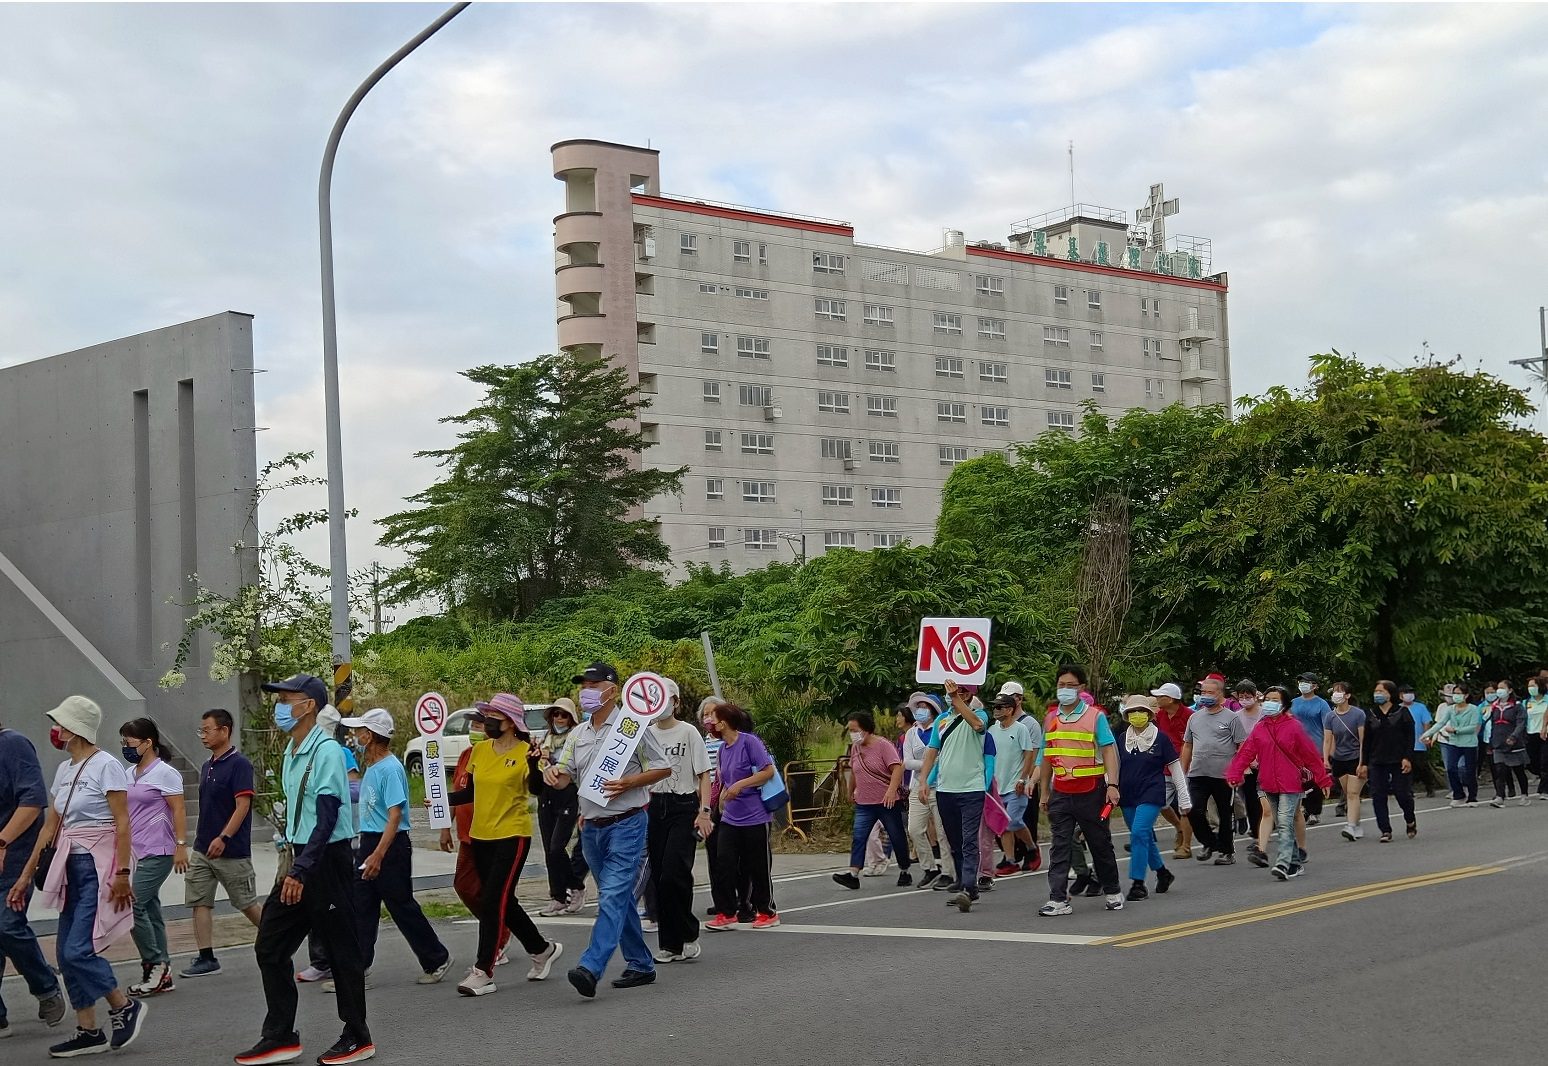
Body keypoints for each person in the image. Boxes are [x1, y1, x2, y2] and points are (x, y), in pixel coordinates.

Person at [236, 675, 371, 1066]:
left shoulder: (325, 751)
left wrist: (301, 871)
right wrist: (291, 860)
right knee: (270, 944)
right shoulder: (292, 751)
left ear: (308, 705)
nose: (279, 706)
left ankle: (358, 1036)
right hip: (301, 858)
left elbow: (327, 817)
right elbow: (300, 815)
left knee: (341, 949)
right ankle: (280, 1035)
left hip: (325, 860)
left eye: (286, 699)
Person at [9, 696, 146, 1056]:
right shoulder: (65, 769)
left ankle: (122, 1005)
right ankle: (88, 1029)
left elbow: (122, 823)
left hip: (98, 866)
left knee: (76, 950)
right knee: (66, 951)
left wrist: (122, 872)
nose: (56, 729)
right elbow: (49, 828)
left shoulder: (107, 766)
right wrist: (25, 876)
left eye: (62, 723)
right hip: (69, 864)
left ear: (76, 728)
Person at [548, 663, 673, 998]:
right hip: (591, 828)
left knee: (614, 896)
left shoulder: (632, 727)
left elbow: (663, 767)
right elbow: (564, 774)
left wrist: (630, 782)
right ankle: (641, 963)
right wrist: (551, 773)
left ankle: (591, 965)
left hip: (627, 823)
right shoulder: (578, 734)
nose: (585, 690)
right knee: (617, 900)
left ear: (613, 690)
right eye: (583, 685)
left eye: (593, 684)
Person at [449, 693, 562, 997]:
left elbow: (537, 790)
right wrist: (441, 800)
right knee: (504, 901)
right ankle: (541, 948)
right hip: (481, 835)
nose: (486, 722)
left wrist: (536, 765)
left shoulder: (527, 752)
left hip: (512, 836)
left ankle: (483, 971)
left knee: (491, 901)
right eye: (486, 716)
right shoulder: (480, 751)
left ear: (511, 723)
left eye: (493, 717)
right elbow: (469, 793)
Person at [340, 708, 453, 989]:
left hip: (390, 845)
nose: (355, 735)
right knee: (362, 905)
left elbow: (394, 815)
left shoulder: (390, 768)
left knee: (400, 906)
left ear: (371, 735)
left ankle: (436, 957)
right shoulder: (371, 764)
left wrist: (378, 854)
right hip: (369, 841)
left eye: (360, 731)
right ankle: (359, 967)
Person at [178, 709, 262, 980]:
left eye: (207, 730)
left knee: (245, 903)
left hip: (231, 850)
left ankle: (276, 938)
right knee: (200, 900)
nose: (203, 735)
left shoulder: (239, 765)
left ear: (224, 731)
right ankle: (206, 956)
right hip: (203, 848)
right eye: (200, 730)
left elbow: (243, 805)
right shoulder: (207, 765)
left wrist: (224, 837)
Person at [0, 707, 67, 1038]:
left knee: (7, 923)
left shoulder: (13, 745)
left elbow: (33, 801)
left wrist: (1, 842)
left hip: (14, 856)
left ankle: (45, 986)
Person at [1036, 666, 1124, 916]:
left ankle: (1113, 891)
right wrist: (1044, 792)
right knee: (1060, 845)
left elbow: (1108, 750)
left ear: (1081, 688)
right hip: (1061, 791)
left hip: (1091, 790)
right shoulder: (1050, 718)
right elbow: (1046, 757)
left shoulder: (1095, 717)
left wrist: (1113, 786)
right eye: (1061, 685)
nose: (1065, 689)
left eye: (1070, 685)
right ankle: (1057, 899)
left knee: (1099, 844)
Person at [1226, 685, 1331, 880]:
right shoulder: (1260, 728)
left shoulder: (1294, 727)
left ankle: (1283, 864)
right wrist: (1235, 773)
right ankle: (1295, 864)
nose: (1270, 703)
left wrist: (1323, 779)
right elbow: (1246, 753)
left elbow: (1310, 755)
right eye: (1267, 699)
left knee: (1283, 823)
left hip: (1290, 783)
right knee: (1283, 823)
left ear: (1284, 705)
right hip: (1268, 783)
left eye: (1275, 700)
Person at [118, 717, 188, 998]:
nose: (125, 747)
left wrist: (181, 845)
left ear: (148, 743)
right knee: (151, 909)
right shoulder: (128, 772)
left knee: (132, 905)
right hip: (134, 851)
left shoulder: (166, 774)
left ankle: (154, 964)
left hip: (159, 850)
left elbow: (179, 810)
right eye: (123, 742)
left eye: (129, 742)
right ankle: (163, 971)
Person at [647, 679, 712, 964]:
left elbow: (704, 774)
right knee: (660, 877)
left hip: (683, 806)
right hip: (653, 806)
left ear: (675, 702)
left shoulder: (688, 732)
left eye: (667, 699)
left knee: (675, 872)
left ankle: (688, 932)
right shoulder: (645, 734)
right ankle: (670, 944)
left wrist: (704, 810)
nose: (662, 706)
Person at [439, 712, 511, 968]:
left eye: (480, 724)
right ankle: (501, 930)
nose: (475, 728)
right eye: (473, 724)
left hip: (491, 835)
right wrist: (445, 826)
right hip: (467, 836)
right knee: (464, 886)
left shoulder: (494, 756)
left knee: (493, 893)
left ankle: (498, 940)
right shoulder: (465, 756)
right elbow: (460, 792)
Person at [700, 702, 780, 931]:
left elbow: (767, 771)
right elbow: (722, 780)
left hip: (755, 815)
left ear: (724, 722)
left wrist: (740, 785)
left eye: (713, 718)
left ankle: (766, 911)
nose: (710, 723)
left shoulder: (749, 742)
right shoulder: (723, 749)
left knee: (757, 866)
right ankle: (726, 912)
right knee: (723, 862)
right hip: (730, 817)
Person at [917, 680, 992, 913]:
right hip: (946, 789)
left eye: (962, 691)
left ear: (970, 694)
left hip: (971, 788)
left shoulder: (979, 714)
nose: (955, 695)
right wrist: (923, 781)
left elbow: (978, 725)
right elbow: (932, 751)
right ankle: (964, 883)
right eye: (953, 691)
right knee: (955, 841)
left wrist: (958, 700)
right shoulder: (941, 720)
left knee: (969, 840)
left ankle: (968, 889)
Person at [1116, 695, 1190, 901]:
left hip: (1151, 793)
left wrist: (1184, 799)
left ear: (1149, 714)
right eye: (1132, 711)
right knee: (1144, 837)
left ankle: (1138, 883)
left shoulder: (1161, 738)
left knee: (1139, 833)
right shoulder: (1122, 739)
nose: (1136, 715)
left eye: (1140, 711)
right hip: (1128, 794)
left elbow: (1175, 769)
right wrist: (1110, 788)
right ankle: (1162, 872)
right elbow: (1114, 767)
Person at [835, 710, 914, 891]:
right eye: (850, 730)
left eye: (855, 730)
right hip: (864, 802)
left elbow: (897, 768)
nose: (853, 734)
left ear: (866, 729)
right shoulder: (856, 748)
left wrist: (891, 791)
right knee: (859, 836)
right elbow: (855, 771)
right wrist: (850, 791)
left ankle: (904, 869)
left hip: (887, 801)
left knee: (896, 836)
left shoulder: (883, 746)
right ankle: (853, 873)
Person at [1181, 675, 1248, 865]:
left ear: (1220, 694)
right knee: (1194, 810)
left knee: (1225, 813)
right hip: (1198, 773)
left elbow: (1242, 745)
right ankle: (1209, 842)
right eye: (1203, 692)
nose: (1205, 696)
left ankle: (1227, 851)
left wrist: (1238, 769)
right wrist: (1181, 772)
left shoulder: (1231, 718)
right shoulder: (1194, 718)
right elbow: (1187, 745)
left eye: (1210, 692)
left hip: (1223, 775)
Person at [536, 699, 589, 917]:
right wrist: (541, 759)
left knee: (558, 847)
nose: (559, 719)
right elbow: (539, 766)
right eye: (556, 714)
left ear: (571, 718)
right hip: (546, 795)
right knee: (549, 850)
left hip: (569, 793)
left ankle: (577, 886)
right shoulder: (545, 739)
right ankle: (557, 896)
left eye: (564, 715)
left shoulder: (577, 738)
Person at [902, 693, 952, 888]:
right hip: (917, 787)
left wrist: (926, 764)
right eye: (919, 706)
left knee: (942, 832)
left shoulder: (941, 729)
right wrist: (927, 763)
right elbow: (906, 762)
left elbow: (942, 758)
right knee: (914, 829)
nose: (921, 710)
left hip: (940, 787)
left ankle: (948, 872)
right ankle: (929, 868)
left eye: (925, 707)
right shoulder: (911, 733)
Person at [987, 694, 1039, 877]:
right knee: (1003, 824)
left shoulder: (1020, 729)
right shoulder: (992, 730)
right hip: (997, 786)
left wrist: (1023, 779)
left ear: (1009, 710)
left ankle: (1032, 848)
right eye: (995, 707)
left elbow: (1029, 754)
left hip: (1016, 785)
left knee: (1012, 822)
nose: (996, 711)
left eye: (1000, 707)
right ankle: (1010, 860)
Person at [1362, 679, 1418, 841]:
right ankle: (1385, 830)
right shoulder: (1371, 714)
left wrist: (1407, 757)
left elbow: (1410, 738)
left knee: (1402, 794)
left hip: (1398, 759)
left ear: (1390, 694)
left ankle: (1410, 819)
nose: (1378, 694)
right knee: (1378, 795)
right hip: (1377, 760)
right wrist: (1364, 763)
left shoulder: (1402, 713)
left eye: (1382, 691)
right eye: (1376, 691)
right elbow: (1366, 741)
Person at [1150, 683, 1194, 860]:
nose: (1157, 699)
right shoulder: (1159, 716)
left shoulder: (1190, 716)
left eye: (1160, 696)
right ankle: (1179, 828)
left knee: (1185, 807)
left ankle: (1186, 846)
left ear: (1171, 699)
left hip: (1187, 768)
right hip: (1165, 767)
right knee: (1160, 803)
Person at [1321, 682, 1367, 842]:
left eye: (1339, 692)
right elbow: (1327, 740)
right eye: (1334, 692)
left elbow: (1363, 741)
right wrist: (1326, 759)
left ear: (1347, 695)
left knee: (1353, 794)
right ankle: (1357, 825)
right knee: (1349, 794)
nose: (1336, 695)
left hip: (1356, 758)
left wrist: (1363, 762)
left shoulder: (1358, 714)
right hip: (1339, 759)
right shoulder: (1330, 716)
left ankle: (1350, 826)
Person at [1424, 683, 1481, 807]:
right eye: (1455, 694)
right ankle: (1458, 794)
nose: (1456, 696)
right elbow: (1440, 723)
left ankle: (1472, 798)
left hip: (1469, 743)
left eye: (1459, 694)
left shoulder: (1473, 709)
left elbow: (1472, 727)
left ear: (1466, 695)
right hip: (1454, 742)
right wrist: (1427, 734)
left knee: (1469, 771)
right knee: (1450, 768)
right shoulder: (1450, 709)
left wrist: (1456, 730)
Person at [1232, 680, 1269, 865]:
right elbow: (1237, 742)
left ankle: (1269, 825)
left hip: (1267, 762)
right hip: (1247, 764)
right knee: (1251, 800)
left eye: (1248, 696)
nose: (1245, 700)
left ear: (1256, 696)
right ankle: (1256, 834)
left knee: (1267, 799)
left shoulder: (1265, 714)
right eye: (1241, 697)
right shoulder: (1235, 716)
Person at [1291, 672, 1332, 824]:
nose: (1303, 684)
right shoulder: (1293, 703)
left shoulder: (1321, 704)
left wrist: (1328, 750)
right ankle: (1304, 809)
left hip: (1316, 747)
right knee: (1301, 781)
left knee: (1315, 781)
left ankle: (1314, 811)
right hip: (1295, 749)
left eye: (1307, 682)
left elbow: (1328, 727)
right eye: (1301, 681)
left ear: (1315, 685)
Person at [1486, 679, 1529, 808]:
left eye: (1502, 688)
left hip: (1513, 743)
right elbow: (1491, 724)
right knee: (1500, 770)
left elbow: (1521, 723)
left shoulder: (1517, 706)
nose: (1499, 690)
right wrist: (1490, 742)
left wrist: (1514, 736)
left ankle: (1524, 794)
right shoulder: (1494, 707)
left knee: (1518, 770)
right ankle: (1500, 796)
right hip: (1498, 742)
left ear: (1510, 690)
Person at [1400, 686, 1438, 798]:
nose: (1409, 695)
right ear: (1400, 695)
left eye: (1411, 692)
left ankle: (1430, 786)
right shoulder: (1397, 709)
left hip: (1418, 742)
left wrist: (1427, 736)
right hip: (1403, 744)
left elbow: (1426, 722)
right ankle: (1408, 789)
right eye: (1406, 692)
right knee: (1405, 767)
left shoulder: (1420, 707)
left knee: (1422, 766)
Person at [1525, 677, 1548, 800]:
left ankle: (1544, 789)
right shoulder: (1526, 702)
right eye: (1529, 686)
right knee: (1532, 761)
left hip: (1545, 734)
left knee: (1545, 762)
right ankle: (1542, 778)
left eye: (1533, 685)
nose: (1531, 688)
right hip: (1531, 733)